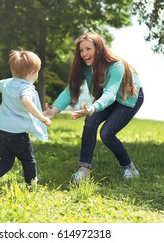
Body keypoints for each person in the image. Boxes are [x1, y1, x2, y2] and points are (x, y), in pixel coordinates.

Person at [44, 32, 144, 181]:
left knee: (107, 133)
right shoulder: (85, 67)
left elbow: (110, 93)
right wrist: (54, 110)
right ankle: (83, 170)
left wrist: (92, 108)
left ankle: (130, 169)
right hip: (106, 97)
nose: (84, 54)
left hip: (128, 97)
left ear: (98, 49)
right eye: (81, 50)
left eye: (88, 49)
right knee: (90, 122)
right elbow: (71, 89)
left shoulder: (116, 66)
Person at [0, 49, 51, 194]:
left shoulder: (8, 83)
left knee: (5, 161)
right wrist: (41, 117)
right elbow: (25, 100)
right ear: (31, 73)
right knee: (28, 161)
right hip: (18, 135)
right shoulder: (26, 88)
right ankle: (32, 187)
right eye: (37, 72)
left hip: (2, 133)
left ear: (13, 71)